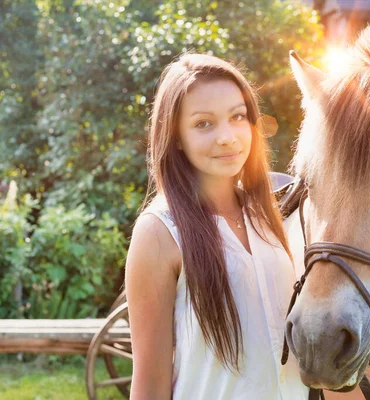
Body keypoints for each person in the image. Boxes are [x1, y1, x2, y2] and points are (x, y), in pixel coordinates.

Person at [125, 53, 306, 400]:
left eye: (237, 117)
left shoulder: (276, 215)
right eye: (204, 124)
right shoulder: (160, 233)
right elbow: (148, 384)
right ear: (176, 136)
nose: (227, 137)